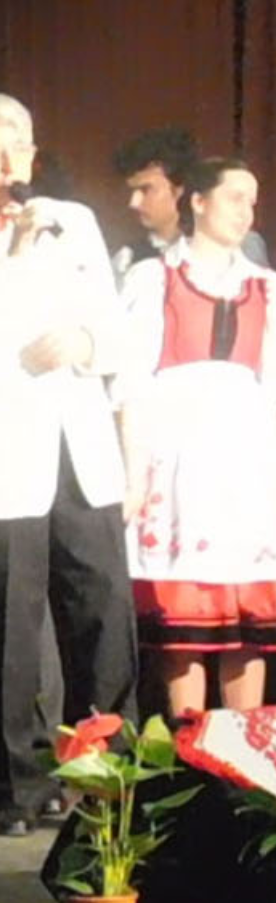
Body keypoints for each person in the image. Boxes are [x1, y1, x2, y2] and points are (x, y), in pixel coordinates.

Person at [0, 93, 138, 835]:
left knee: (102, 610)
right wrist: (7, 262)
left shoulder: (74, 221)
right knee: (10, 623)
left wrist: (85, 343)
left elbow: (116, 330)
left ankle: (109, 773)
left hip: (81, 449)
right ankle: (16, 783)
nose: (7, 164)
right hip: (5, 453)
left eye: (19, 149)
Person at [118, 158, 276, 715]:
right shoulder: (155, 279)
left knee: (247, 620)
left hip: (246, 463)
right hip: (179, 458)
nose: (245, 211)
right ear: (199, 202)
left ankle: (244, 752)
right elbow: (131, 383)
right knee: (184, 622)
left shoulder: (265, 288)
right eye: (234, 197)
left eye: (251, 201)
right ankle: (190, 749)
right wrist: (134, 474)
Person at [111, 128, 268, 284]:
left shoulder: (244, 245)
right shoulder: (126, 260)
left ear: (180, 189)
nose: (133, 202)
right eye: (132, 191)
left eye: (146, 190)